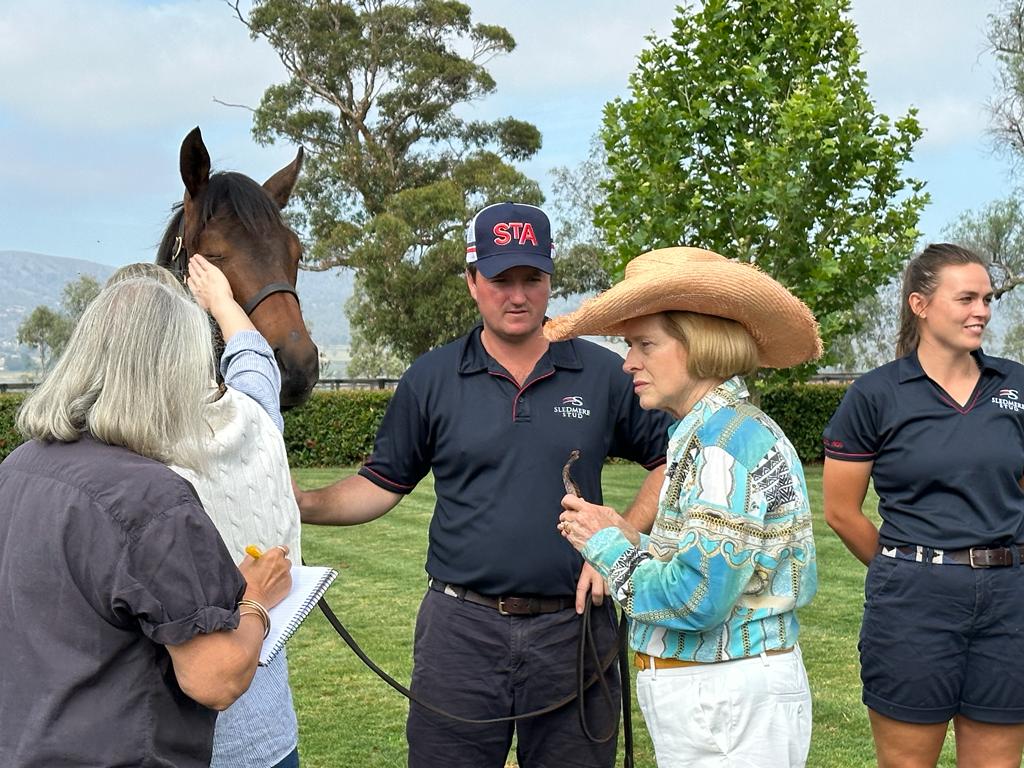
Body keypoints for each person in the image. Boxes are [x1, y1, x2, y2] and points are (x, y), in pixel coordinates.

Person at [294, 202, 672, 768]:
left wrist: (620, 533)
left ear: (549, 281)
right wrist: (298, 504)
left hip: (574, 630)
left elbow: (672, 461)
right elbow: (379, 484)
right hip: (460, 631)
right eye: (500, 279)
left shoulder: (601, 373)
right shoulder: (432, 378)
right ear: (473, 282)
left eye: (531, 279)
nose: (516, 295)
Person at [544, 246, 821, 768]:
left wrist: (604, 548)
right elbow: (718, 561)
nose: (628, 362)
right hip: (729, 696)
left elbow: (696, 600)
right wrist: (632, 539)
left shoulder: (719, 449)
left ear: (699, 347)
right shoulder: (724, 433)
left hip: (725, 699)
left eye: (645, 344)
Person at [0, 275, 292, 768]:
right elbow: (214, 679)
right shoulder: (156, 503)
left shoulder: (19, 468)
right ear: (173, 374)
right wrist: (256, 599)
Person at [822, 243, 1024, 768]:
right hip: (913, 605)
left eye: (987, 299)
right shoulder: (875, 394)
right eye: (966, 299)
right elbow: (842, 511)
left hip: (1009, 601)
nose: (981, 311)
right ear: (920, 304)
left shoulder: (1016, 385)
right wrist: (907, 568)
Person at [108, 258, 304, 768]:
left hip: (162, 738)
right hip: (267, 732)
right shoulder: (251, 418)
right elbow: (256, 365)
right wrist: (222, 302)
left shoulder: (107, 461)